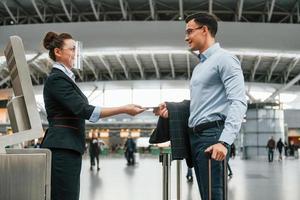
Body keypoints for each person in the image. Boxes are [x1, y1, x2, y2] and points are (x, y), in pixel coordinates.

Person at [40, 31, 144, 200]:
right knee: (65, 195)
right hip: (62, 147)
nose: (76, 53)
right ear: (58, 52)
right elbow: (84, 110)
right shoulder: (57, 80)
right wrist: (123, 109)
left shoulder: (65, 79)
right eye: (72, 49)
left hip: (68, 146)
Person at [155, 13, 247, 200]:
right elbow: (201, 106)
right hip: (196, 137)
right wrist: (172, 110)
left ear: (204, 30)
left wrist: (224, 141)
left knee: (214, 195)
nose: (186, 37)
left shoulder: (225, 60)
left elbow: (238, 101)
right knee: (206, 195)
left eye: (190, 31)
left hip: (212, 136)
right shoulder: (199, 67)